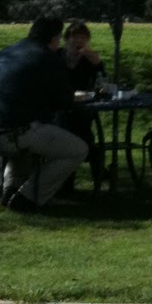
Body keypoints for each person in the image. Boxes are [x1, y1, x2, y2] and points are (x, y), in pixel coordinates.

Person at [0, 14, 88, 211]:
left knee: (28, 131)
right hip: (13, 131)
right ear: (54, 38)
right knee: (77, 149)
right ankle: (28, 197)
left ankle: (10, 189)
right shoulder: (47, 58)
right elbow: (64, 101)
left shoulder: (8, 52)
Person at [61, 20, 106, 189]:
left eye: (83, 38)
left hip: (83, 105)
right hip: (61, 105)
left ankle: (89, 155)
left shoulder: (89, 60)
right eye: (75, 37)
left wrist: (98, 64)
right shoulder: (58, 56)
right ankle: (85, 153)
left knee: (81, 124)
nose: (78, 41)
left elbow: (102, 81)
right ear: (67, 39)